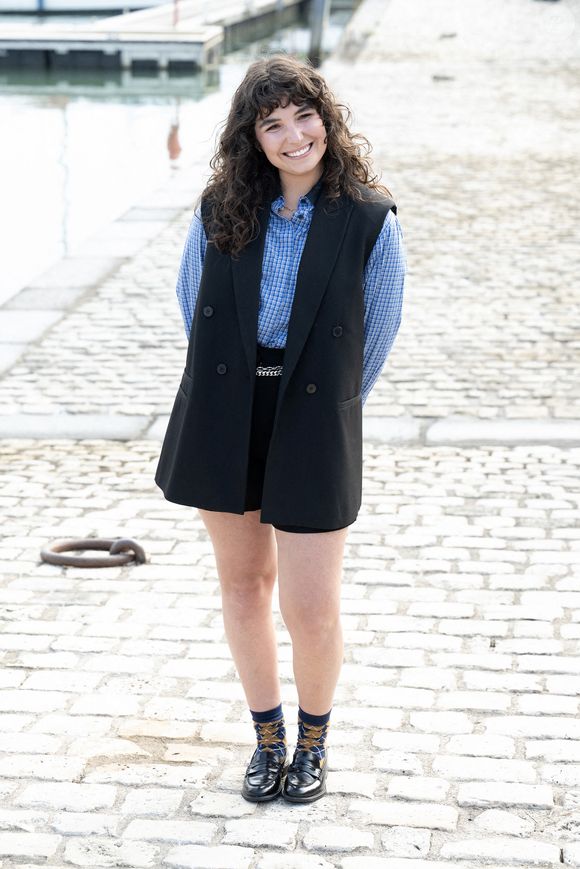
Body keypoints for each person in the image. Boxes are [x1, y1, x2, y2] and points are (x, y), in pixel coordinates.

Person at [155, 54, 406, 804]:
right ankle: (267, 738)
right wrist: (238, 383)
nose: (294, 135)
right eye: (272, 123)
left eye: (304, 116)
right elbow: (191, 301)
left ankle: (314, 742)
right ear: (252, 137)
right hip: (226, 410)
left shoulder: (369, 219)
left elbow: (380, 333)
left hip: (312, 419)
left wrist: (320, 405)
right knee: (242, 584)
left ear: (326, 120)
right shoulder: (220, 209)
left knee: (310, 603)